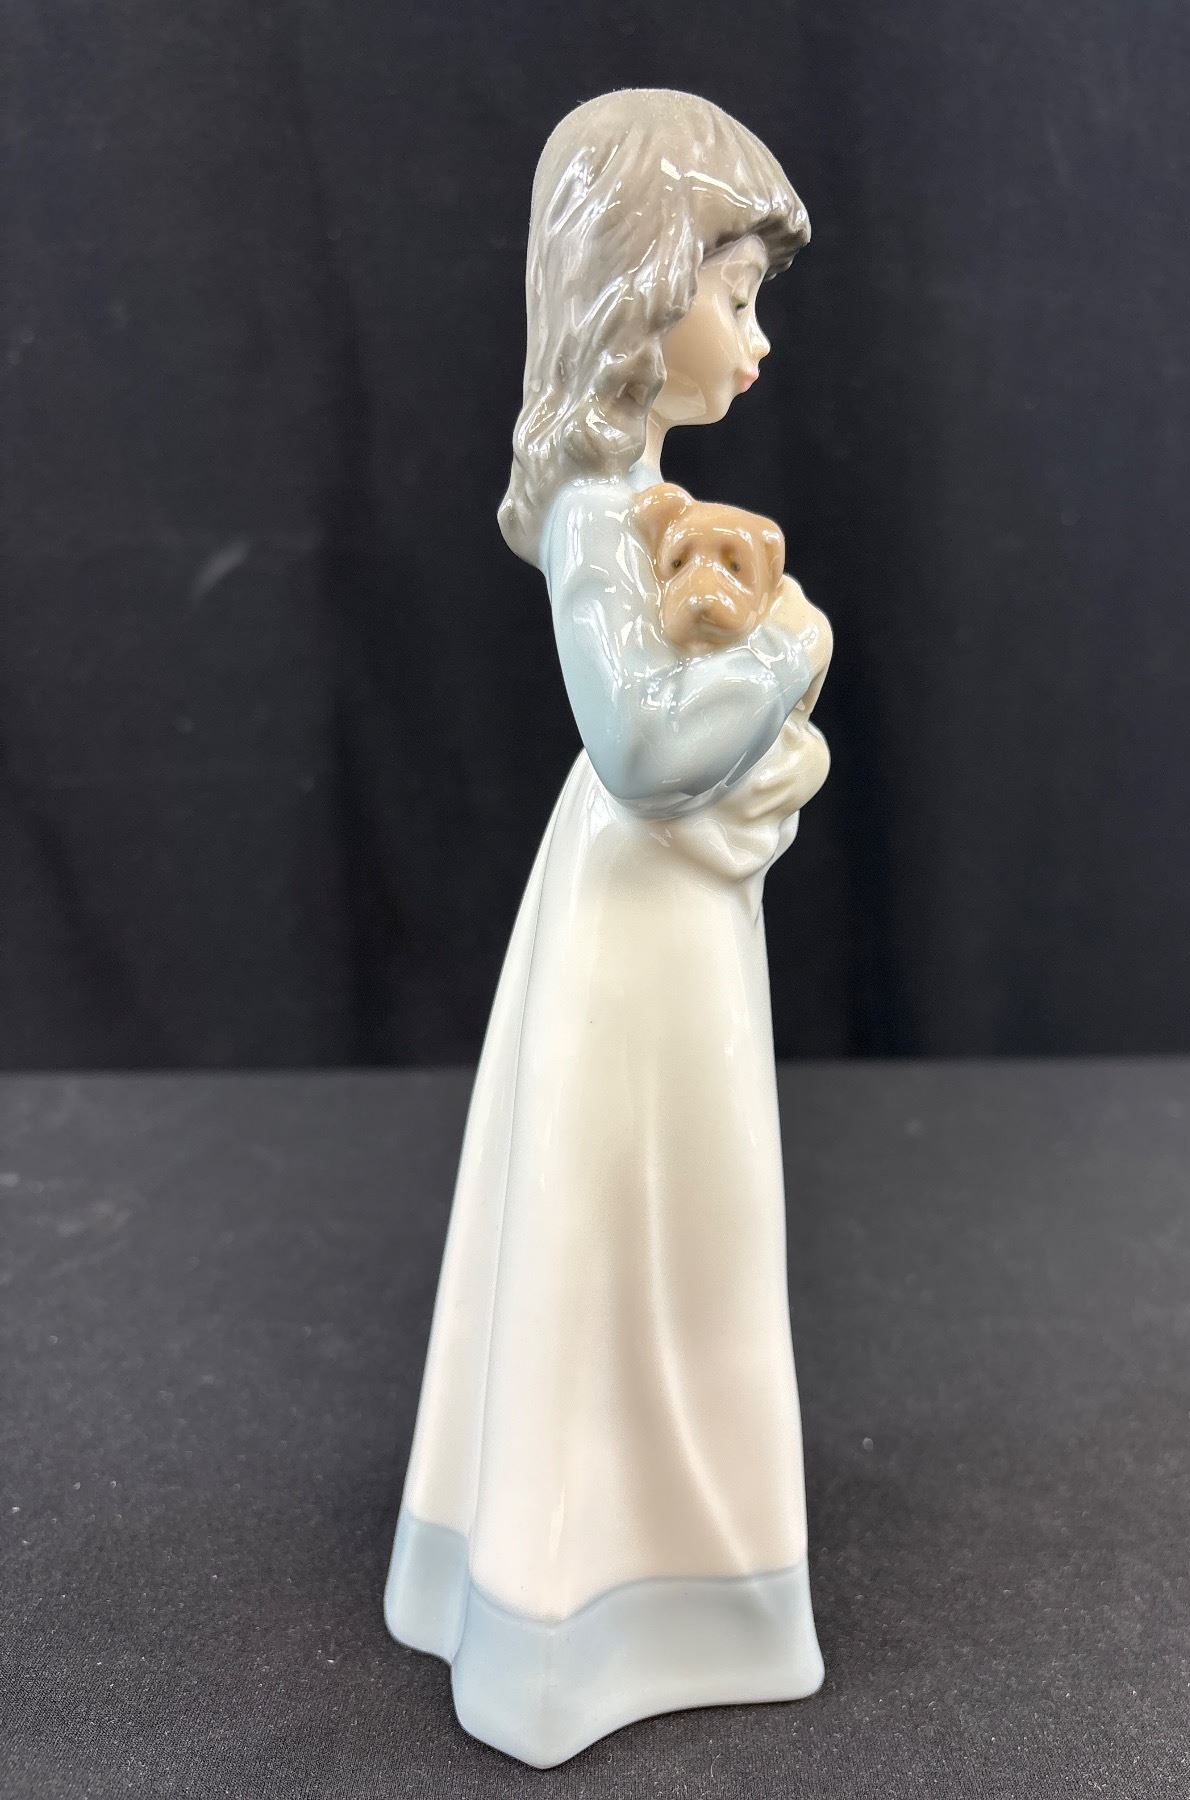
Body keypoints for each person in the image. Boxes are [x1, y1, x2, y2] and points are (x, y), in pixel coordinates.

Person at [385, 89, 832, 1768]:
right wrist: (787, 648)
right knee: (633, 1225)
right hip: (632, 919)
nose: (757, 338)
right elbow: (642, 748)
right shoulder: (594, 506)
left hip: (666, 915)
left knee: (676, 1226)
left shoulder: (644, 492)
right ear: (643, 289)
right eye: (736, 292)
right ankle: (581, 1596)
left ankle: (673, 1567)